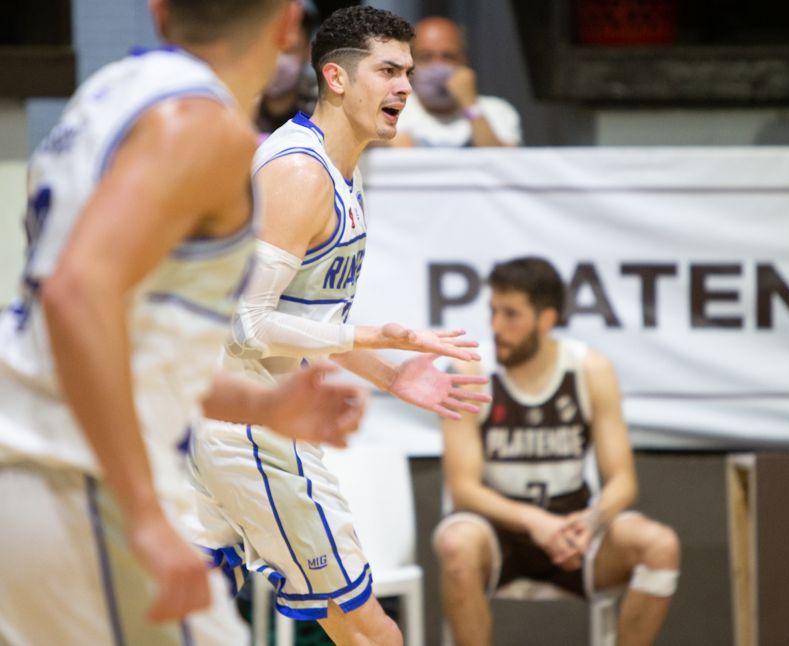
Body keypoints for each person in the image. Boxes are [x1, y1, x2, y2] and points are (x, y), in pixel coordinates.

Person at [0, 1, 371, 644]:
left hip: (31, 466)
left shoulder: (106, 96)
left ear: (160, 14)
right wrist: (145, 517)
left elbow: (134, 346)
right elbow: (75, 297)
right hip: (78, 480)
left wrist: (263, 405)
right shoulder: (203, 128)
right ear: (288, 25)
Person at [187, 6, 490, 645]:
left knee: (182, 615)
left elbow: (304, 320)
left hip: (230, 416)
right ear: (336, 77)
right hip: (247, 428)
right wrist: (377, 336)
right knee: (371, 630)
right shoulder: (300, 173)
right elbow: (247, 324)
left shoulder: (340, 172)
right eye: (388, 71)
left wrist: (388, 375)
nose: (404, 87)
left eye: (407, 72)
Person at [434, 257, 681, 646]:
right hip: (497, 530)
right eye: (493, 312)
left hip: (573, 529)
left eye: (511, 314)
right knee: (455, 545)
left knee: (660, 545)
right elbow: (463, 489)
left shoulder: (590, 370)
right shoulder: (469, 372)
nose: (497, 327)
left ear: (546, 319)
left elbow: (623, 481)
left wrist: (591, 521)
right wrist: (535, 521)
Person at [390, 16, 522, 147]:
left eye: (448, 57)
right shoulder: (393, 110)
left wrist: (470, 105)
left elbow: (503, 159)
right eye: (426, 57)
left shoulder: (496, 111)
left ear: (464, 61)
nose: (438, 66)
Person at [256, 0, 321, 136]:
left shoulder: (321, 111)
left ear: (308, 52)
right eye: (273, 49)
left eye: (289, 50)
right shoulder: (235, 109)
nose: (278, 59)